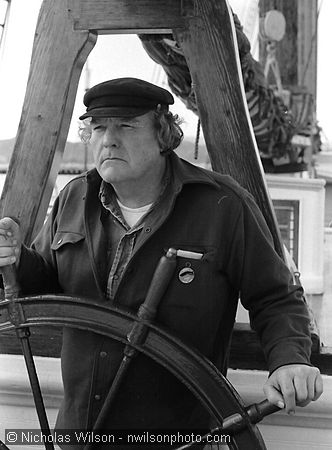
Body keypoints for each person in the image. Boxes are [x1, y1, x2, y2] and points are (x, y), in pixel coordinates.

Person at [0, 78, 323, 447]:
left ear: (163, 133)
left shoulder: (222, 206)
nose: (108, 139)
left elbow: (276, 297)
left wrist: (289, 360)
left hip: (180, 439)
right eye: (99, 127)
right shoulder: (74, 197)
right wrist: (15, 260)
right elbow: (47, 286)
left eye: (126, 125)